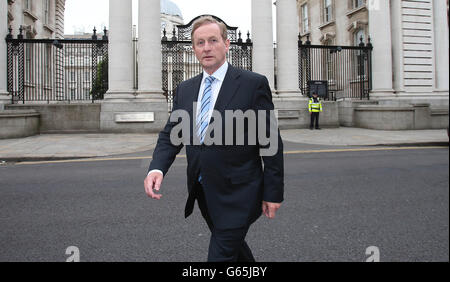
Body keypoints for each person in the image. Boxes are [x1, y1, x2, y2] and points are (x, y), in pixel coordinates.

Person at [144, 16, 284, 262]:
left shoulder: (253, 84)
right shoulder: (185, 89)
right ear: (194, 48)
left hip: (240, 193)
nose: (206, 47)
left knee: (220, 256)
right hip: (204, 191)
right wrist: (157, 168)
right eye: (200, 42)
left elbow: (270, 141)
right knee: (235, 251)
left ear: (226, 44)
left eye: (212, 40)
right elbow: (171, 134)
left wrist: (273, 192)